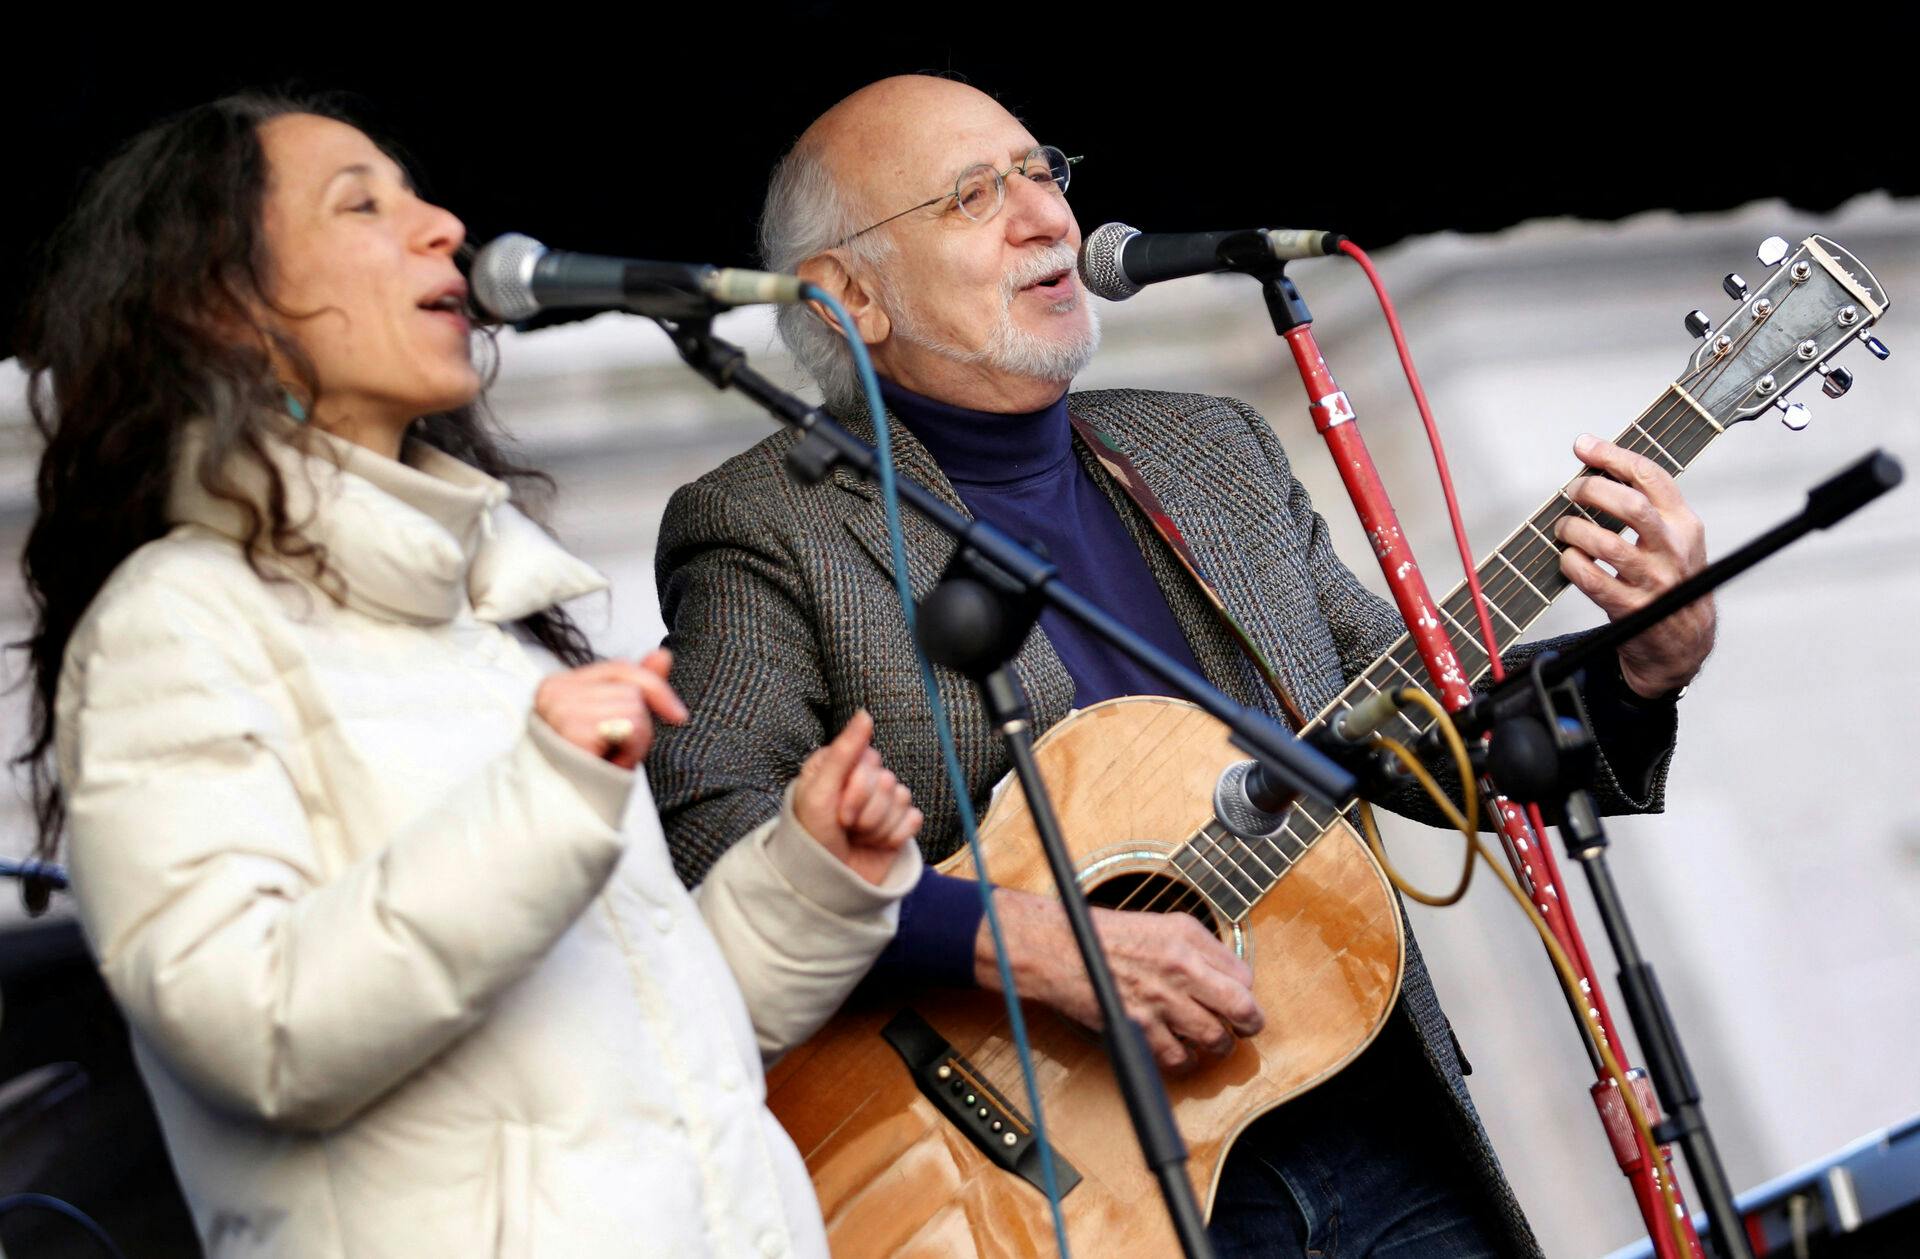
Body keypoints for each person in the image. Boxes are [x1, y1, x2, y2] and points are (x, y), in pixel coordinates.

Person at [647, 75, 1715, 1257]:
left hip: (1360, 1103)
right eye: (970, 196)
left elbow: (1415, 728)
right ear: (852, 297)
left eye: (1040, 170)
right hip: (1046, 1185)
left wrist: (1640, 665)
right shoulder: (764, 523)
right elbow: (712, 837)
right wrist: (1035, 939)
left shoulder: (1208, 446)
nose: (1045, 215)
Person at [11, 92, 925, 1259]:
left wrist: (811, 880)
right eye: (363, 204)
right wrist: (545, 796)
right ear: (219, 308)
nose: (444, 224)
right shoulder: (173, 626)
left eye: (421, 193)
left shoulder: (491, 625)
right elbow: (259, 1030)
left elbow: (661, 1061)